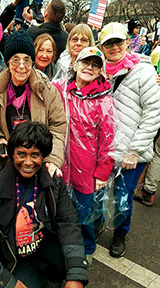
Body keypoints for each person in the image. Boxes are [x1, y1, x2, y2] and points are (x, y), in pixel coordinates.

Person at [0, 121, 88, 288]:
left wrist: (77, 272)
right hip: (7, 258)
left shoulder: (53, 182)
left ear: (43, 156)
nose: (28, 162)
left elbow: (68, 222)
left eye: (35, 155)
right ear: (12, 154)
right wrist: (4, 280)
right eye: (21, 154)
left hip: (39, 252)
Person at [99, 22, 160, 258]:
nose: (114, 47)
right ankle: (96, 226)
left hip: (131, 152)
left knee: (123, 196)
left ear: (127, 42)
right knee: (99, 193)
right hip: (105, 150)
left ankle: (119, 235)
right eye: (108, 43)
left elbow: (154, 114)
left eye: (118, 41)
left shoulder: (143, 72)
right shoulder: (98, 70)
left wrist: (134, 150)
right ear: (102, 47)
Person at [53, 47, 115, 265]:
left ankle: (87, 247)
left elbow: (108, 140)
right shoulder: (60, 89)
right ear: (75, 65)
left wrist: (102, 172)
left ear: (100, 71)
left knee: (85, 212)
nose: (89, 67)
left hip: (86, 170)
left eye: (95, 64)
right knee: (61, 208)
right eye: (85, 62)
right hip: (61, 162)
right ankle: (63, 244)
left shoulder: (103, 100)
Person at [0, 30, 66, 177]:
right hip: (9, 163)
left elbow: (58, 126)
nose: (21, 66)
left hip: (40, 162)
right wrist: (0, 137)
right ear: (8, 61)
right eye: (15, 59)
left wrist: (52, 159)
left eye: (27, 59)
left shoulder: (46, 89)